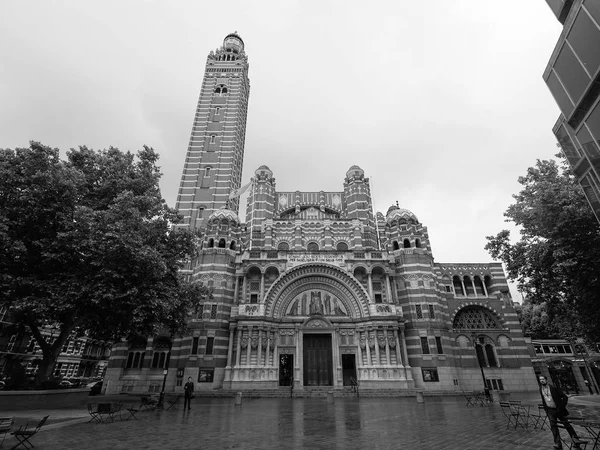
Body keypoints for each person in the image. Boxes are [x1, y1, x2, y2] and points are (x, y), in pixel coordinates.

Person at [538, 375, 582, 449]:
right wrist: (546, 409)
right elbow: (544, 400)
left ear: (546, 380)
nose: (542, 381)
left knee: (567, 425)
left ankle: (576, 440)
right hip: (550, 410)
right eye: (540, 379)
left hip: (558, 410)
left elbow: (565, 397)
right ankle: (558, 443)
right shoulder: (540, 389)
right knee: (553, 427)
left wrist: (561, 407)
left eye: (543, 379)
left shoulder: (553, 388)